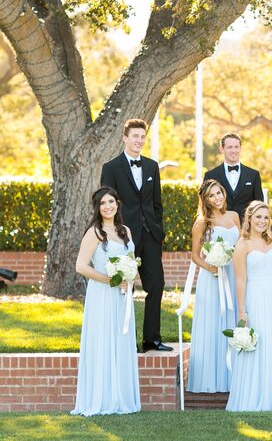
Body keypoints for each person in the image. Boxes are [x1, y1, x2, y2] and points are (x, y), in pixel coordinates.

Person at [101, 119, 170, 352]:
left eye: (142, 136)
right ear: (125, 138)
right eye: (135, 136)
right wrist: (115, 233)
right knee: (124, 288)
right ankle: (125, 340)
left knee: (157, 285)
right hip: (124, 237)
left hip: (150, 235)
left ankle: (152, 339)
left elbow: (156, 203)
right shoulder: (111, 168)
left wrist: (157, 229)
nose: (139, 140)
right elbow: (106, 203)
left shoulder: (152, 166)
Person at [72, 187, 140, 415]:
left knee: (121, 341)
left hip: (122, 297)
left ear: (117, 203)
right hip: (101, 295)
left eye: (111, 201)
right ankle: (102, 398)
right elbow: (80, 266)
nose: (108, 206)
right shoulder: (94, 232)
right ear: (97, 208)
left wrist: (129, 279)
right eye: (103, 203)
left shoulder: (126, 231)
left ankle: (121, 397)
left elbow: (131, 263)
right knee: (103, 341)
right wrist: (109, 280)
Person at [226, 201, 272, 411]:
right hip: (255, 297)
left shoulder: (270, 241)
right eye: (258, 217)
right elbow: (240, 280)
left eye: (266, 217)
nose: (262, 221)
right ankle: (256, 397)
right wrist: (241, 311)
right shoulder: (242, 245)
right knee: (260, 345)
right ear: (249, 218)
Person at [187, 180, 240, 393]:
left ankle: (233, 376)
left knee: (233, 319)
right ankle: (211, 379)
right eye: (211, 195)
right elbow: (194, 256)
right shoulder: (202, 223)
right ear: (205, 200)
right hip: (212, 279)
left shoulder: (234, 216)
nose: (217, 198)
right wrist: (211, 267)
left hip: (234, 275)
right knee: (213, 324)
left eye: (219, 193)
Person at [203, 132, 264, 219]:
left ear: (240, 148)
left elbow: (259, 205)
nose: (233, 150)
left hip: (246, 228)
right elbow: (205, 205)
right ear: (222, 149)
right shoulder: (211, 175)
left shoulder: (253, 175)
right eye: (229, 147)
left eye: (236, 147)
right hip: (220, 225)